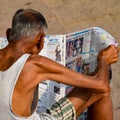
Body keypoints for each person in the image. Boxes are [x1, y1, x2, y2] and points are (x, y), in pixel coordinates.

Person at [0, 9, 119, 120]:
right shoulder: (34, 64)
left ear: (9, 33)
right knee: (99, 90)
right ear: (40, 41)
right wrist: (103, 60)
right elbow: (100, 84)